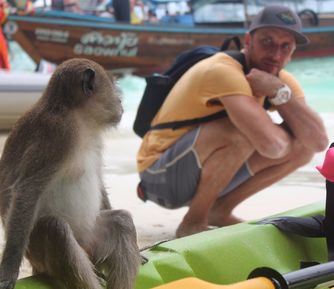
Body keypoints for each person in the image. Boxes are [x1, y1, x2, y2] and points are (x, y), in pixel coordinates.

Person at [135, 5, 329, 238]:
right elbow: (272, 146)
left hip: (196, 171)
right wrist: (286, 132)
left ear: (292, 51)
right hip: (159, 175)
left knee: (302, 148)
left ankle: (220, 210)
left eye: (285, 46)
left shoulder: (280, 81)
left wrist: (278, 90)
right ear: (248, 41)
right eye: (267, 41)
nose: (276, 54)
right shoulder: (223, 70)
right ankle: (193, 222)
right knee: (242, 132)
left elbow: (317, 143)